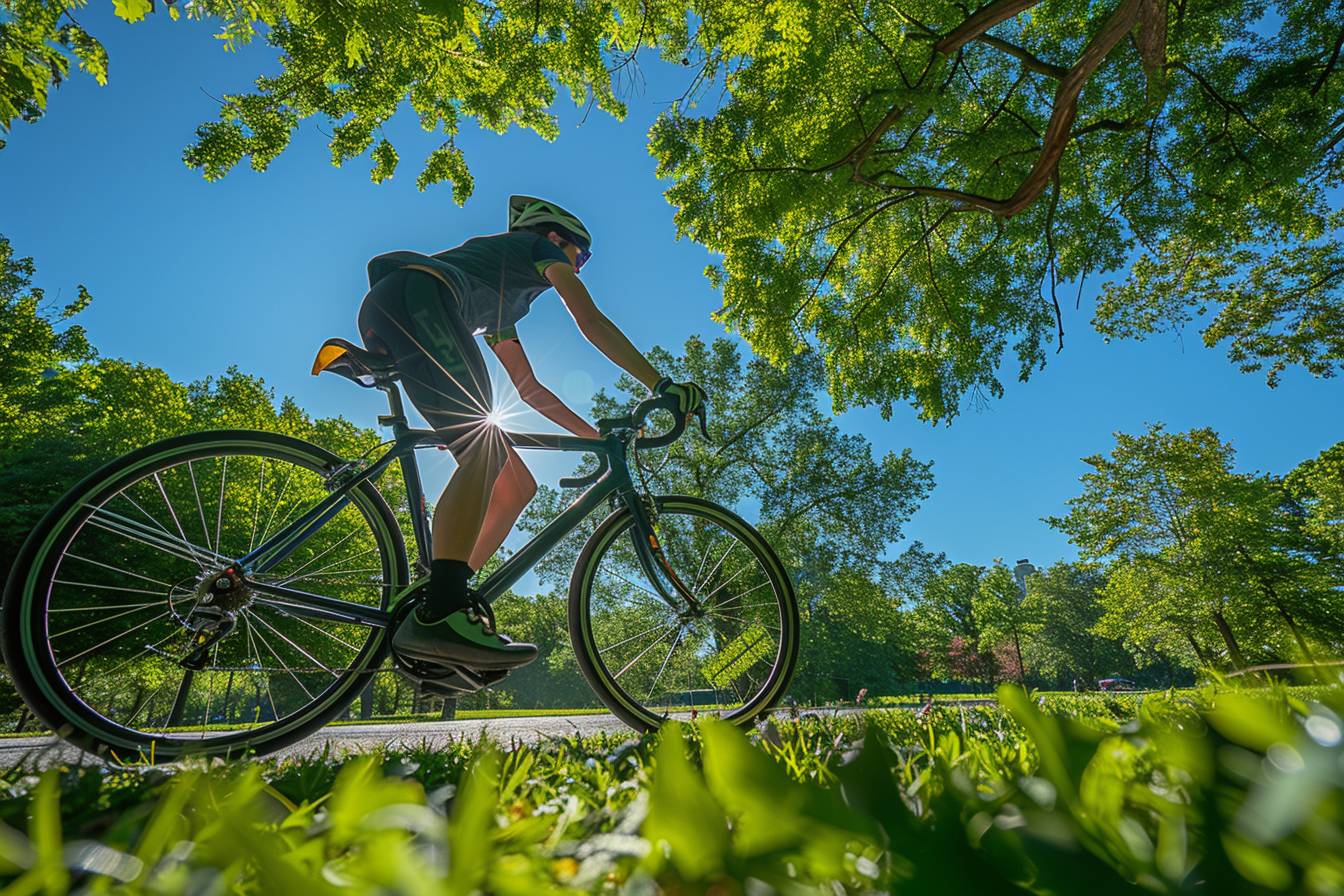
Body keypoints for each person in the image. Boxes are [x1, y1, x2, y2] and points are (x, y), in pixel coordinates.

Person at [355, 196, 705, 672]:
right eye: (580, 256)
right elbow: (591, 321)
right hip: (420, 298)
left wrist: (595, 440)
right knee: (484, 451)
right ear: (557, 238)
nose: (577, 269)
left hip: (407, 304)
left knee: (517, 484)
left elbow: (529, 389)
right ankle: (441, 613)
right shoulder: (537, 248)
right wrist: (661, 385)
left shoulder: (502, 302)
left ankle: (444, 600)